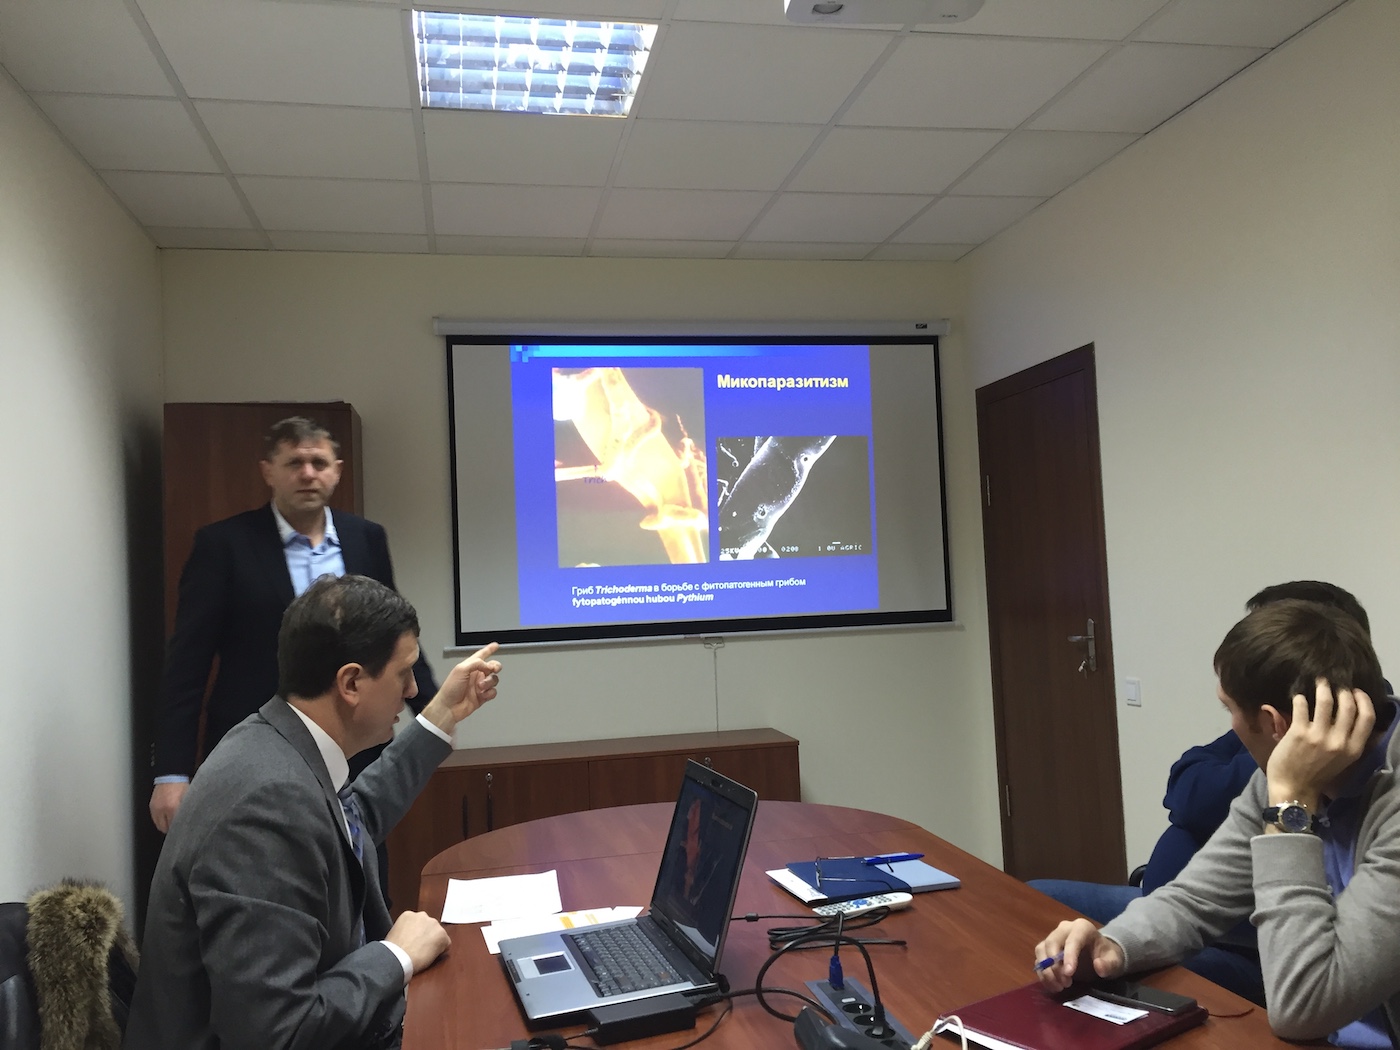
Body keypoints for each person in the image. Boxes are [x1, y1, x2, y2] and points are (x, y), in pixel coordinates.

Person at [126, 574, 502, 1050]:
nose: (412, 690)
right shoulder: (267, 807)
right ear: (351, 683)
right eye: (403, 673)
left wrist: (443, 714)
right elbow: (278, 1032)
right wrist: (395, 956)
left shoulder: (273, 742)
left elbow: (352, 822)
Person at [1036, 599, 1400, 1044]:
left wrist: (1289, 805)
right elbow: (1194, 899)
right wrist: (1113, 946)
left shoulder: (1298, 784)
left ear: (1274, 724)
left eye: (1229, 709)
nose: (1230, 724)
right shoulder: (1279, 777)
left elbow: (1303, 1007)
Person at [149, 417, 436, 894]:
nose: (308, 473)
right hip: (261, 746)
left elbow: (396, 635)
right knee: (271, 872)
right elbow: (187, 664)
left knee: (362, 872)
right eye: (294, 463)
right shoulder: (224, 545)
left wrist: (434, 713)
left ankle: (373, 942)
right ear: (269, 471)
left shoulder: (365, 537)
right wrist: (172, 773)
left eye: (318, 462)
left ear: (337, 470)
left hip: (355, 744)